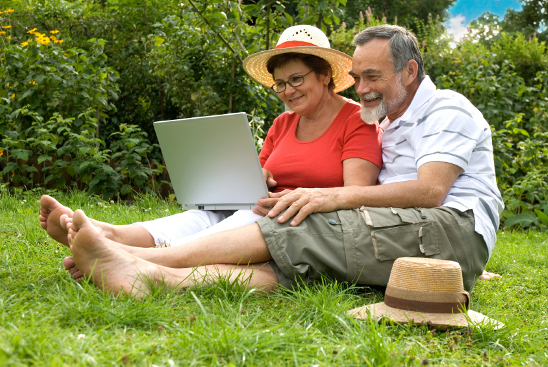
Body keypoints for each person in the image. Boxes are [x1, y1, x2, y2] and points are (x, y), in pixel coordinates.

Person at [47, 24, 505, 297]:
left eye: (372, 76)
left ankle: (133, 258)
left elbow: (430, 192)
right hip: (413, 227)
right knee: (288, 264)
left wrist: (323, 197)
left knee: (298, 221)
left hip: (446, 225)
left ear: (409, 70)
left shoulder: (446, 108)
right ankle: (146, 272)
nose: (362, 86)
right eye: (359, 76)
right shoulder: (387, 119)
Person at [40, 25, 382, 279]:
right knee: (205, 215)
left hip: (300, 220)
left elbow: (358, 194)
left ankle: (128, 258)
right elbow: (258, 177)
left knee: (245, 218)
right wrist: (255, 177)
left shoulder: (356, 121)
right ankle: (108, 234)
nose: (286, 91)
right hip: (262, 206)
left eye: (295, 80)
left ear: (324, 75)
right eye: (279, 84)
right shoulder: (282, 123)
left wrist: (295, 196)